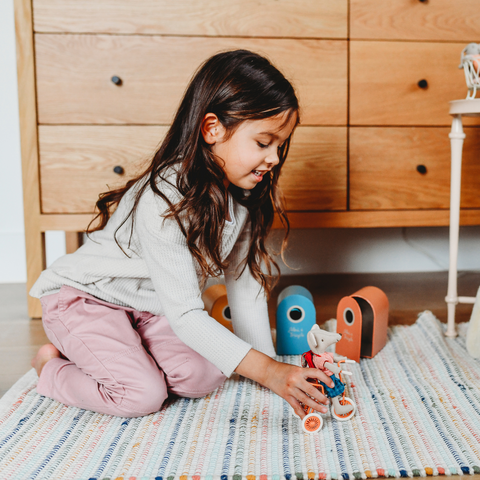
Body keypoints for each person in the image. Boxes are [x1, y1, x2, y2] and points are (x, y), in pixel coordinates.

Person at [30, 49, 334, 418]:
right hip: (87, 299)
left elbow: (244, 284)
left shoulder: (243, 196)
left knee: (205, 374)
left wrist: (266, 369)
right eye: (263, 142)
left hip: (148, 309)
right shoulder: (164, 197)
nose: (273, 158)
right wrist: (271, 373)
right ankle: (51, 366)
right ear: (212, 129)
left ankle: (117, 352)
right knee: (142, 395)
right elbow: (188, 314)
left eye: (279, 145)